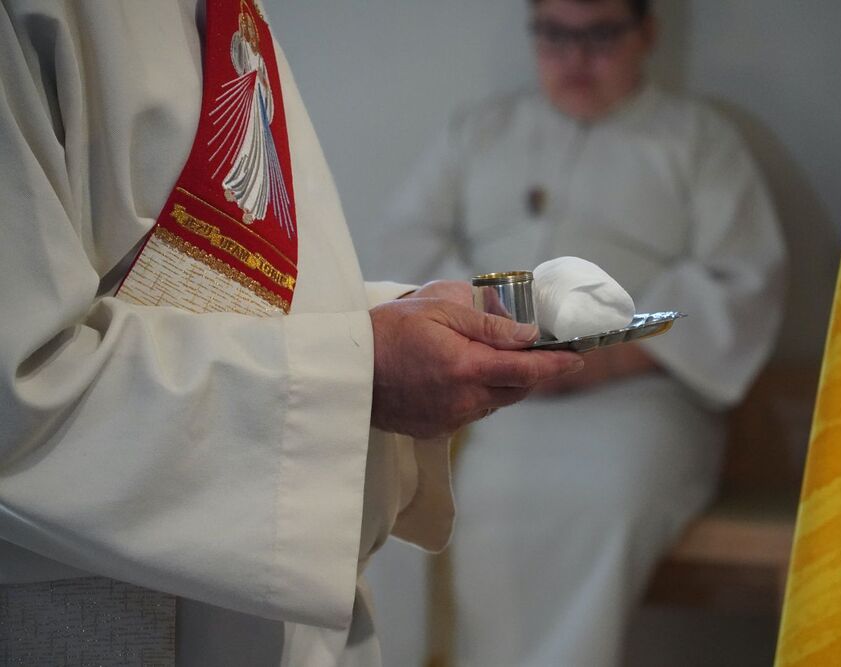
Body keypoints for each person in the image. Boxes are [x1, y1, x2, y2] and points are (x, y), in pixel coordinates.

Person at [0, 1, 583, 665]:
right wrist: (363, 371)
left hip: (283, 589)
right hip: (120, 607)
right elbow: (19, 395)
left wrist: (390, 322)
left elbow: (260, 287)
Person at [371, 0, 787, 664]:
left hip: (634, 395)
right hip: (477, 382)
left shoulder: (698, 140)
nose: (575, 59)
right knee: (392, 475)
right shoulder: (480, 131)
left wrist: (606, 358)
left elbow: (739, 282)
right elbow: (406, 246)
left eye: (599, 36)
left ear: (646, 32)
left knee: (593, 492)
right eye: (554, 36)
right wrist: (486, 330)